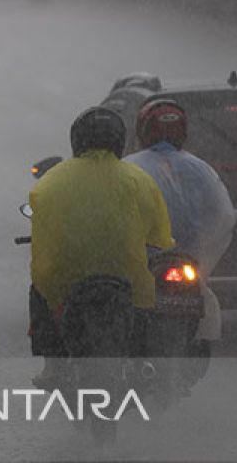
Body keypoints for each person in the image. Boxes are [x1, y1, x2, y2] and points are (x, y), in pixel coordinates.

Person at [27, 106, 174, 386]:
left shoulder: (52, 180)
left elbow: (42, 223)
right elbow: (160, 235)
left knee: (39, 293)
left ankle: (53, 367)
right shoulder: (138, 179)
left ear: (77, 140)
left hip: (70, 275)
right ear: (119, 141)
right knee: (146, 308)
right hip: (127, 275)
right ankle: (143, 361)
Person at [124, 99, 235, 343]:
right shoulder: (202, 169)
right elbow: (223, 218)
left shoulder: (128, 168)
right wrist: (201, 257)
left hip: (142, 264)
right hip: (188, 264)